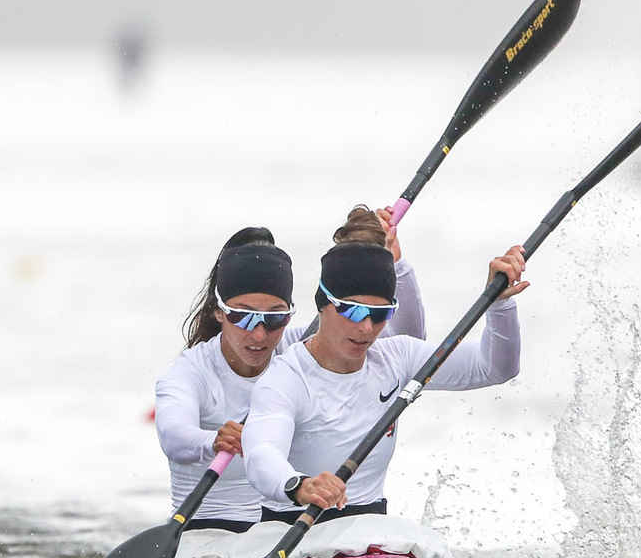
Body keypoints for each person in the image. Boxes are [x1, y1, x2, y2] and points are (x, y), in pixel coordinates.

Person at [153, 208, 426, 532]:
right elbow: (172, 434)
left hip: (281, 532)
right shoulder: (192, 373)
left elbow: (409, 343)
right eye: (245, 316)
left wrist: (392, 264)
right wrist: (213, 440)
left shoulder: (298, 352)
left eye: (274, 318)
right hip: (209, 533)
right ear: (219, 312)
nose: (259, 334)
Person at [242, 241, 528, 521]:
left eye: (381, 314)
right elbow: (261, 454)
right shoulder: (285, 378)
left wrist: (500, 304)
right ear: (323, 304)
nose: (366, 327)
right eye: (353, 311)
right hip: (292, 528)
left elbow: (494, 368)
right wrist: (299, 486)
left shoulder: (398, 356)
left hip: (370, 528)